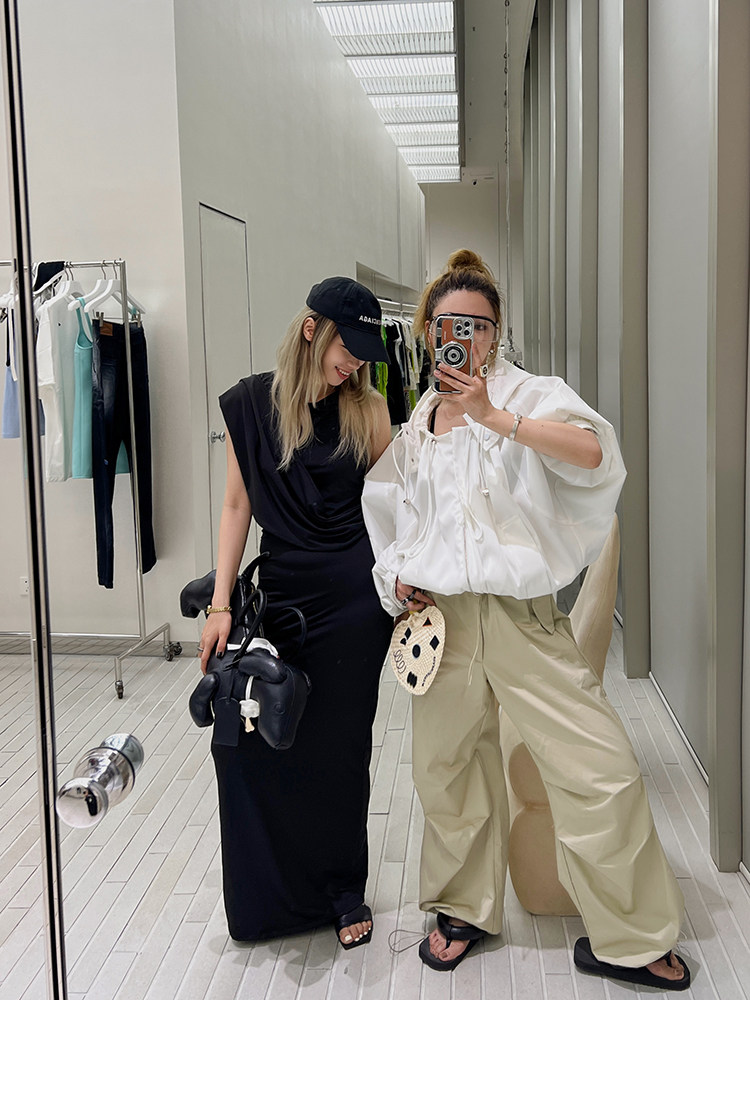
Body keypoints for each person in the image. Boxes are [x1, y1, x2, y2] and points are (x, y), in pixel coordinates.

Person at [362, 249, 690, 990]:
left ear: (496, 331)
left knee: (599, 767)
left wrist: (497, 418)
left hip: (524, 620)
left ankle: (635, 936)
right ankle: (462, 910)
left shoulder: (530, 394)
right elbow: (392, 514)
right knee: (446, 772)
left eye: (477, 325)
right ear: (427, 329)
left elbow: (595, 453)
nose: (463, 338)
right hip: (444, 622)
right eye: (448, 324)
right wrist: (398, 576)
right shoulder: (418, 423)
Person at [199, 276, 393, 949]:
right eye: (347, 347)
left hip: (355, 607)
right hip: (282, 603)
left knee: (340, 751)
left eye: (364, 353)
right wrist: (220, 604)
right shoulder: (253, 405)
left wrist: (409, 582)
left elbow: (395, 508)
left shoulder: (369, 411)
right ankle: (273, 899)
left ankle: (342, 891)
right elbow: (236, 505)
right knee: (267, 746)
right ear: (312, 330)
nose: (354, 363)